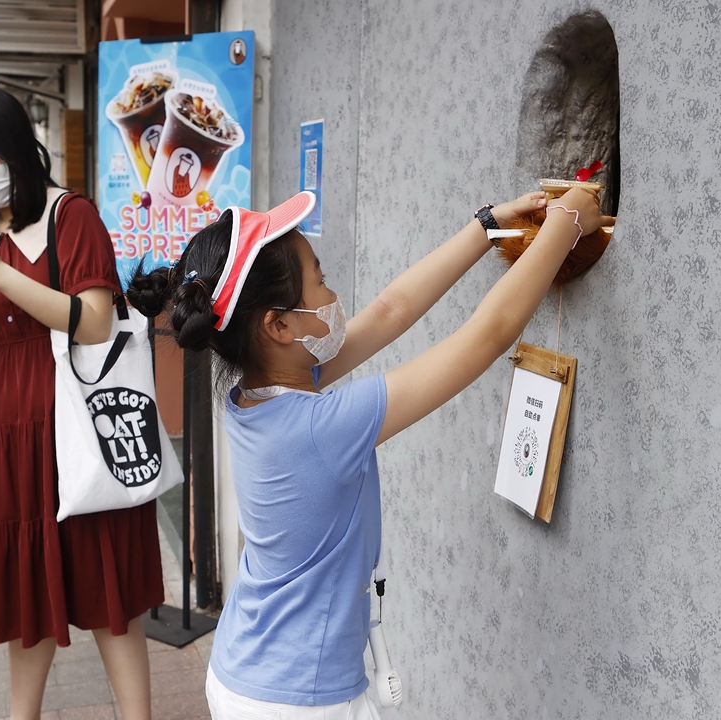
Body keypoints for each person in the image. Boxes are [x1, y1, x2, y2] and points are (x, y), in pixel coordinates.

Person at [125, 188, 613, 718]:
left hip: (250, 667)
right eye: (321, 279)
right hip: (297, 700)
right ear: (279, 326)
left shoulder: (259, 394)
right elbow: (488, 336)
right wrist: (565, 223)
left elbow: (390, 310)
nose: (333, 292)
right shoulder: (322, 426)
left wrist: (489, 224)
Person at [0, 86, 162, 720]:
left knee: (108, 589)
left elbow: (93, 322)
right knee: (26, 593)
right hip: (6, 424)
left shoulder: (69, 214)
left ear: (22, 149)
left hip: (76, 416)